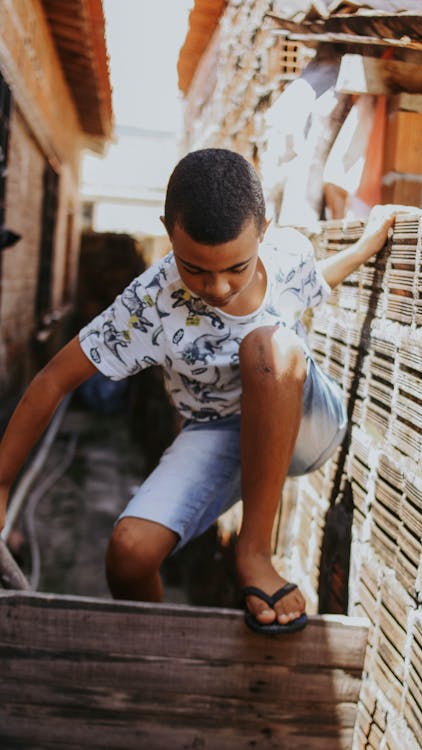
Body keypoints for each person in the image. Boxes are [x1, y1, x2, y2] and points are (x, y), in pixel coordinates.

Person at [0, 148, 399, 634]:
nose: (218, 288)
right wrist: (2, 481)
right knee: (129, 553)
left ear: (264, 230)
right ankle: (156, 649)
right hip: (218, 433)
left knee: (268, 347)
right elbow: (54, 379)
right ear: (168, 230)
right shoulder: (148, 305)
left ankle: (254, 555)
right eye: (195, 269)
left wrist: (365, 246)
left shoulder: (288, 252)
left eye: (237, 268)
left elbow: (311, 283)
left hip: (307, 422)